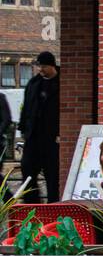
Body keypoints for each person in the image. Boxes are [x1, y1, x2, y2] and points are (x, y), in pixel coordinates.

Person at [19, 51, 60, 201]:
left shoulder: (61, 83)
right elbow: (26, 108)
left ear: (52, 66)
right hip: (33, 137)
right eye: (39, 66)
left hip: (52, 138)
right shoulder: (33, 83)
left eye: (44, 66)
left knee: (52, 175)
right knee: (27, 169)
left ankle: (53, 204)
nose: (40, 69)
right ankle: (32, 203)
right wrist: (23, 129)